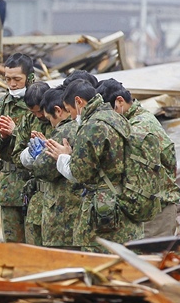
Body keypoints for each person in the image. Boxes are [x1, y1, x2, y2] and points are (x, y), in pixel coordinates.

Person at [44, 79, 143, 252]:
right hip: (125, 200)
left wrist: (63, 157)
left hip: (104, 210)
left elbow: (79, 173)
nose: (72, 117)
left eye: (69, 110)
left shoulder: (92, 126)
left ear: (79, 102)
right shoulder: (115, 117)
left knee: (98, 265)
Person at [97, 78, 180, 238]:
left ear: (119, 102)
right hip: (151, 208)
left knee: (151, 260)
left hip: (154, 212)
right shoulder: (134, 121)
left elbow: (141, 184)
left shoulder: (138, 129)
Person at [0, 53, 34, 242]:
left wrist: (16, 131)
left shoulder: (40, 103)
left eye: (17, 79)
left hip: (35, 184)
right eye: (8, 79)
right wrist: (0, 136)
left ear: (29, 78)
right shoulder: (0, 106)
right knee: (12, 244)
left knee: (36, 246)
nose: (12, 84)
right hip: (9, 185)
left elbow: (49, 138)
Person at [28, 87, 83, 249]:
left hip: (63, 212)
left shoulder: (63, 131)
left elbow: (43, 168)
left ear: (58, 111)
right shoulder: (86, 125)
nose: (50, 123)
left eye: (48, 117)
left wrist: (38, 157)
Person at [12, 81, 53, 245]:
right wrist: (29, 155)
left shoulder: (60, 117)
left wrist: (48, 151)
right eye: (33, 112)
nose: (39, 116)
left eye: (41, 111)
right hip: (37, 194)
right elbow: (16, 155)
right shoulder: (29, 121)